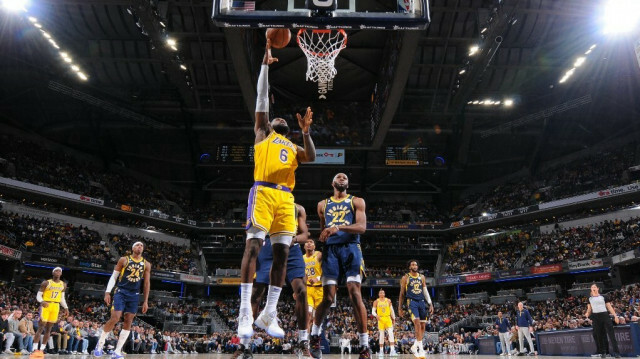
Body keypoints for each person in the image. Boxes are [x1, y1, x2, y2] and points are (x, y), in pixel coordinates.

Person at [236, 37, 316, 342]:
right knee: (254, 247)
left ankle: (269, 313)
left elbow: (311, 156)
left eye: (283, 119)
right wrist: (265, 67)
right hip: (263, 192)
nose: (278, 117)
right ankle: (245, 312)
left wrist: (306, 133)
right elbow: (261, 98)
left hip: (286, 198)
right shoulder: (262, 133)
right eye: (275, 116)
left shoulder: (294, 145)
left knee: (282, 255)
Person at [237, 203, 311, 359]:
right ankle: (244, 345)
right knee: (256, 293)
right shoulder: (266, 201)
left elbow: (305, 235)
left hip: (292, 248)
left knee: (302, 291)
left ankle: (303, 342)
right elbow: (252, 229)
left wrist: (294, 239)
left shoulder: (298, 208)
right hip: (269, 246)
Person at [310, 173, 368, 359]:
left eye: (345, 177)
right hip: (331, 251)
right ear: (333, 182)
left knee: (354, 293)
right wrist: (322, 240)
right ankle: (314, 336)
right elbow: (322, 231)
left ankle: (364, 346)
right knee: (328, 298)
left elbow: (361, 227)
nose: (342, 177)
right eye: (338, 176)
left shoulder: (357, 201)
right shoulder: (322, 205)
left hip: (351, 248)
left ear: (348, 184)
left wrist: (339, 227)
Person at [93, 241, 151, 359]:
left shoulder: (146, 264)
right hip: (121, 291)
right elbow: (114, 277)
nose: (140, 247)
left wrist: (145, 301)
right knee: (115, 317)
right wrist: (107, 292)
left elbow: (146, 283)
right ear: (132, 248)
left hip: (134, 295)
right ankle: (100, 344)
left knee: (129, 320)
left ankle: (117, 351)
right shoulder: (124, 260)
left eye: (141, 246)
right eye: (137, 245)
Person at [30, 267, 68, 359]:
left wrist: (66, 307)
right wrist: (42, 301)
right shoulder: (46, 282)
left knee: (49, 329)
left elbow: (62, 298)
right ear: (53, 273)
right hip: (46, 305)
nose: (58, 272)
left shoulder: (63, 284)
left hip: (56, 306)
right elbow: (38, 295)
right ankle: (34, 349)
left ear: (61, 274)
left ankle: (42, 350)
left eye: (59, 271)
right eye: (56, 271)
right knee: (41, 327)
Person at [398, 260, 433, 359]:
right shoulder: (405, 278)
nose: (415, 266)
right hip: (412, 302)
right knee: (417, 323)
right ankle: (421, 350)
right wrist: (399, 307)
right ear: (409, 267)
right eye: (413, 264)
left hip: (422, 302)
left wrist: (430, 303)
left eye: (416, 264)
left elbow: (425, 291)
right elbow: (401, 294)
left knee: (423, 326)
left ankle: (414, 346)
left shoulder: (422, 277)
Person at [585, 283, 621, 358]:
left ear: (598, 288)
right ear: (591, 289)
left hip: (605, 315)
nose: (593, 288)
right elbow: (589, 309)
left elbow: (609, 307)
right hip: (596, 317)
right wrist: (587, 314)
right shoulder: (589, 298)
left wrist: (615, 316)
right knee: (599, 335)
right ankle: (603, 352)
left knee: (611, 334)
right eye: (592, 287)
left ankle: (616, 353)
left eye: (594, 287)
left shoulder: (604, 296)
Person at [303, 239, 323, 331]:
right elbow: (302, 276)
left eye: (311, 242)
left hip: (320, 289)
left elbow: (328, 271)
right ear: (304, 246)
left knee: (317, 318)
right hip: (308, 289)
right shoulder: (302, 258)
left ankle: (315, 336)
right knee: (308, 314)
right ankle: (305, 338)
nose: (309, 243)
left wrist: (317, 278)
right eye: (307, 242)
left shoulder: (318, 255)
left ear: (315, 246)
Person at [372, 289, 397, 357]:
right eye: (380, 293)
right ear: (378, 294)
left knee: (391, 334)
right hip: (380, 319)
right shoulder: (376, 301)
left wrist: (394, 318)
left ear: (384, 294)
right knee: (381, 335)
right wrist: (376, 315)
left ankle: (392, 350)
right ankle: (381, 351)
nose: (382, 293)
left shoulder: (388, 300)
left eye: (383, 292)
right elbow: (373, 311)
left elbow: (392, 310)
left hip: (388, 318)